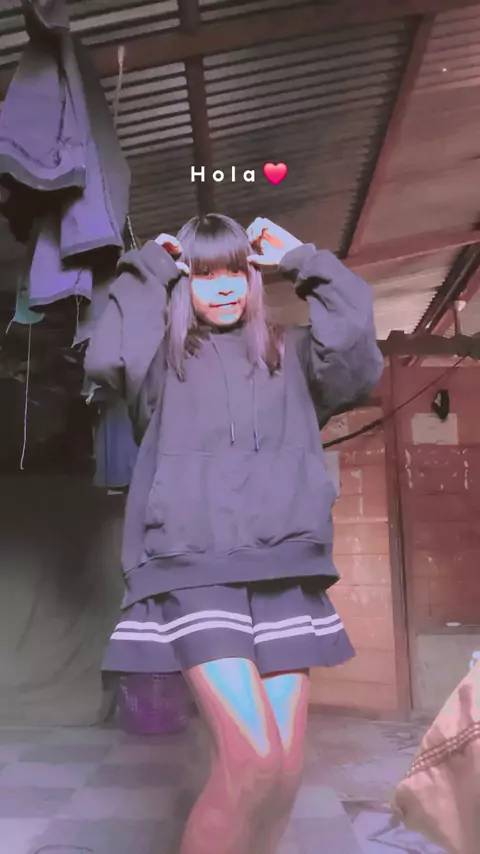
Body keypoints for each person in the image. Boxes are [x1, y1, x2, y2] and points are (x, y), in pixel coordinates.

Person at [84, 214, 383, 854]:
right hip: (194, 567)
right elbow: (108, 354)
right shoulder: (159, 364)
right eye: (203, 273)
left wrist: (304, 259)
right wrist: (151, 265)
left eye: (235, 271)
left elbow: (358, 352)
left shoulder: (292, 353)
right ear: (183, 282)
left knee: (282, 774)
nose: (222, 286)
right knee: (252, 762)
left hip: (285, 568)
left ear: (254, 277)